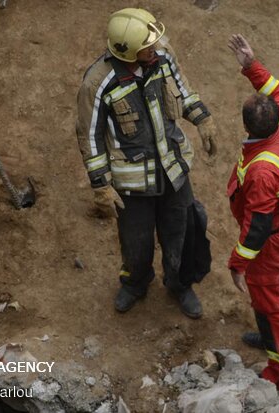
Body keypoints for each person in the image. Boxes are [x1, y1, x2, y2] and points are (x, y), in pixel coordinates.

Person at [76, 8, 218, 319]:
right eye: (147, 46)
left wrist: (203, 119)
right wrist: (101, 185)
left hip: (173, 170)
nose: (154, 48)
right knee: (136, 241)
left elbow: (183, 91)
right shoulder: (98, 83)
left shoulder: (163, 56)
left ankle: (180, 284)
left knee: (180, 230)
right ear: (127, 51)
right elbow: (90, 137)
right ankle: (135, 284)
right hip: (132, 183)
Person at [226, 34, 279, 388]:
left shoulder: (262, 171)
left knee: (272, 303)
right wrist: (251, 66)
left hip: (271, 242)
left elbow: (256, 226)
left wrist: (238, 263)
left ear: (248, 128)